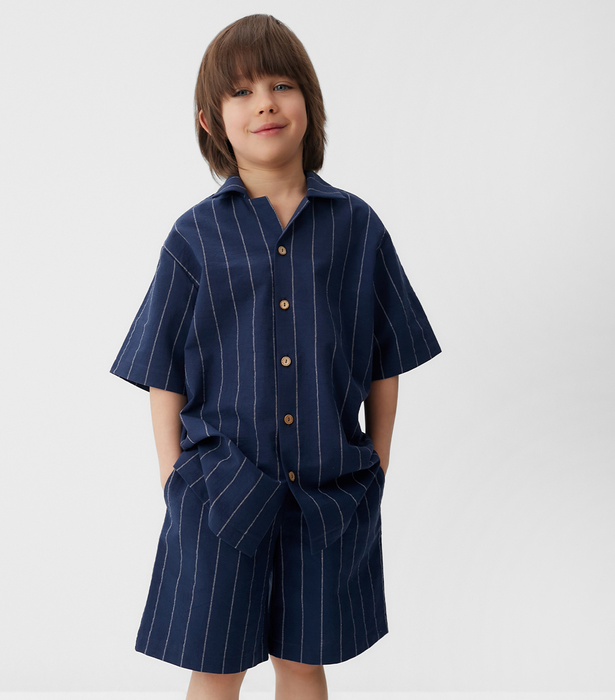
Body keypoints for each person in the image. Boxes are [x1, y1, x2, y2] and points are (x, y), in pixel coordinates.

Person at [110, 13, 441, 700]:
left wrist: (376, 463)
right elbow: (163, 367)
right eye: (242, 91)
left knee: (302, 665)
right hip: (219, 493)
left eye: (281, 85)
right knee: (216, 668)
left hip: (329, 496)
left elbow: (387, 358)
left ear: (309, 104)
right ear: (212, 122)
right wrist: (173, 478)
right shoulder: (195, 237)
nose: (264, 102)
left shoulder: (357, 229)